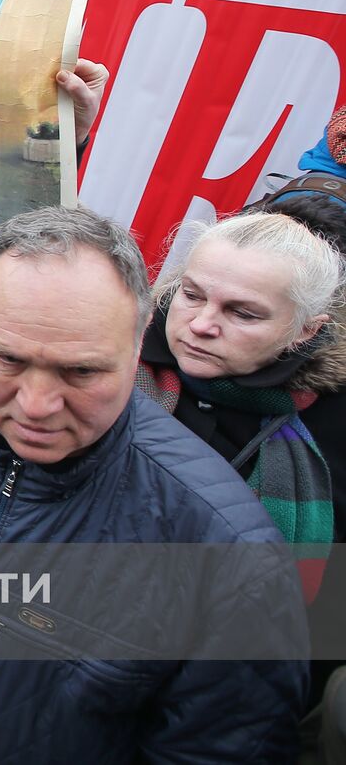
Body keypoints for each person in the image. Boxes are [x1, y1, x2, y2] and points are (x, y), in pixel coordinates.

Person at [0, 205, 309, 763]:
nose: (36, 407)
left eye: (81, 371)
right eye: (7, 359)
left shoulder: (229, 551)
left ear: (138, 348)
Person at [137, 210, 346, 707]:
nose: (201, 325)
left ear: (304, 331)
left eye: (243, 313)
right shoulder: (105, 364)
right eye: (191, 294)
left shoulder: (333, 423)